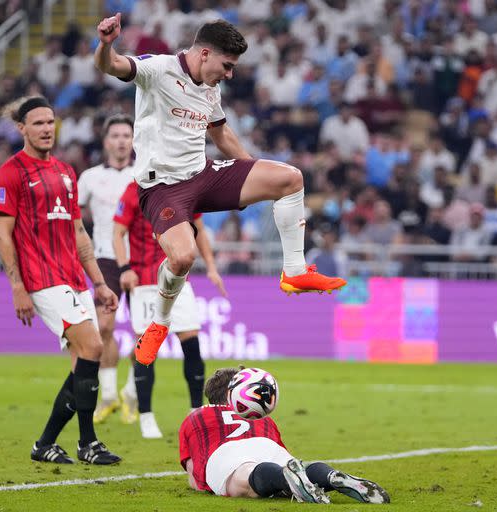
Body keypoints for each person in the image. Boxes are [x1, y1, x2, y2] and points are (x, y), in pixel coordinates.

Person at [95, 15, 347, 366]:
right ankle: (160, 322)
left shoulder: (210, 88)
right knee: (183, 258)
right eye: (227, 66)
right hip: (162, 187)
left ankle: (294, 271)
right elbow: (112, 66)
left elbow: (221, 134)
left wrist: (250, 171)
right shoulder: (158, 69)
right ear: (204, 54)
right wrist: (106, 44)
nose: (229, 74)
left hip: (203, 175)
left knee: (290, 178)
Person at [0, 96, 121, 465]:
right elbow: (3, 234)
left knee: (82, 359)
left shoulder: (65, 172)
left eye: (50, 122)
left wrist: (98, 282)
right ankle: (88, 442)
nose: (46, 129)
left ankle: (45, 443)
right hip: (41, 279)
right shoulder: (11, 172)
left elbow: (79, 231)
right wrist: (17, 286)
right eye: (38, 123)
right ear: (22, 129)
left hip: (73, 277)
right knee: (93, 347)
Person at [113, 180, 226, 438]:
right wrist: (124, 268)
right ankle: (146, 416)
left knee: (192, 344)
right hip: (143, 281)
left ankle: (196, 411)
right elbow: (117, 232)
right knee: (147, 349)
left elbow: (198, 228)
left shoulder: (185, 186)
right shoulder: (134, 190)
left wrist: (211, 266)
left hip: (178, 278)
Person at [178, 367, 390, 504]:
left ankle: (284, 479)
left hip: (224, 453)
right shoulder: (263, 416)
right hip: (268, 446)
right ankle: (330, 476)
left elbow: (194, 478)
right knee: (297, 470)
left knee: (245, 478)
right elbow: (280, 451)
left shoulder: (195, 417)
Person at [76, 115, 137, 425]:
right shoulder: (89, 177)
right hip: (105, 259)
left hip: (139, 259)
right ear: (106, 141)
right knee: (104, 328)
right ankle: (110, 395)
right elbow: (74, 215)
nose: (122, 140)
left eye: (127, 134)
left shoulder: (143, 173)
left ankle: (132, 393)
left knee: (145, 332)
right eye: (115, 135)